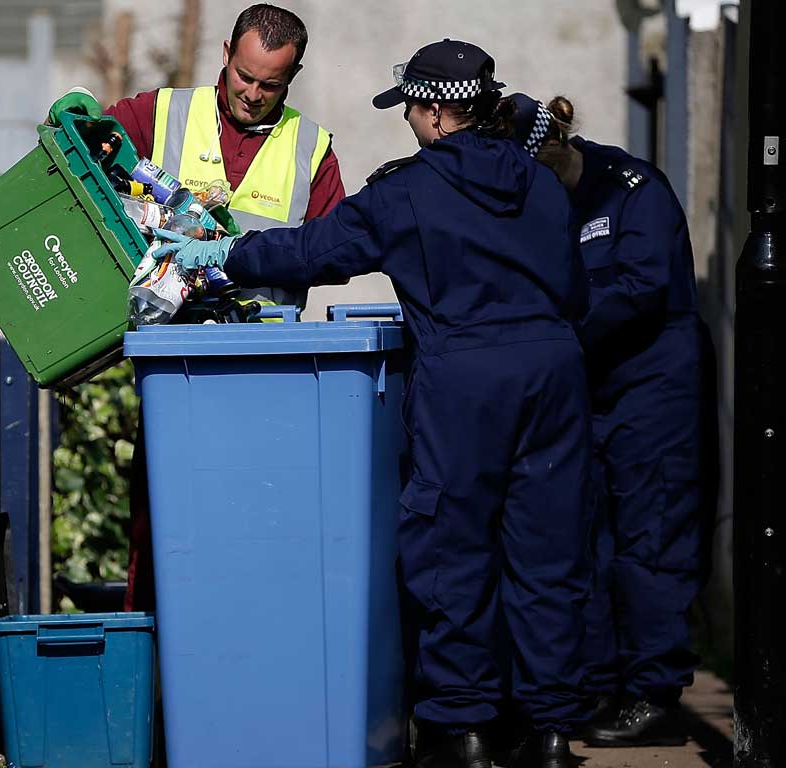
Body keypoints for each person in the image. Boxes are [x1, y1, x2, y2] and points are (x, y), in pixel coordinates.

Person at [152, 40, 594, 768]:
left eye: (412, 110)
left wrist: (219, 256)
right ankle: (548, 731)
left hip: (464, 380)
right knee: (548, 552)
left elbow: (315, 251)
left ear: (431, 111)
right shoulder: (544, 184)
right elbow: (576, 293)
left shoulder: (408, 191)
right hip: (554, 373)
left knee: (453, 549)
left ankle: (465, 730)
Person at [47, 4, 346, 612]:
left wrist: (244, 254)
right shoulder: (164, 113)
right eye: (245, 75)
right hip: (174, 367)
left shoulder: (311, 150)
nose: (254, 94)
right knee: (162, 532)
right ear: (227, 55)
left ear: (293, 77)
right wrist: (76, 117)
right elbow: (86, 148)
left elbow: (333, 254)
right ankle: (159, 684)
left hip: (265, 375)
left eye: (272, 84)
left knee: (252, 532)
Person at [509, 93, 718, 747]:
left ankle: (652, 694)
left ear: (554, 147)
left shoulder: (632, 190)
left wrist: (553, 336)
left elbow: (639, 288)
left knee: (649, 540)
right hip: (588, 388)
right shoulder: (536, 206)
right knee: (588, 539)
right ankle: (599, 685)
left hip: (654, 387)